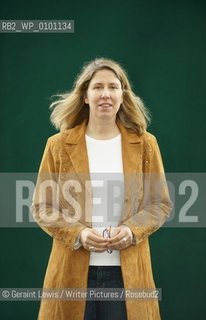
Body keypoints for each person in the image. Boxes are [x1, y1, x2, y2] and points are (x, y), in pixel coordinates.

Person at [31, 58, 172, 320]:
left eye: (113, 87)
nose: (105, 94)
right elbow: (42, 207)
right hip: (71, 275)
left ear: (122, 95)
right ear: (85, 95)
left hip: (126, 277)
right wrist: (79, 234)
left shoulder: (145, 145)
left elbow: (160, 203)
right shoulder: (58, 145)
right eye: (97, 87)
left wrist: (131, 230)